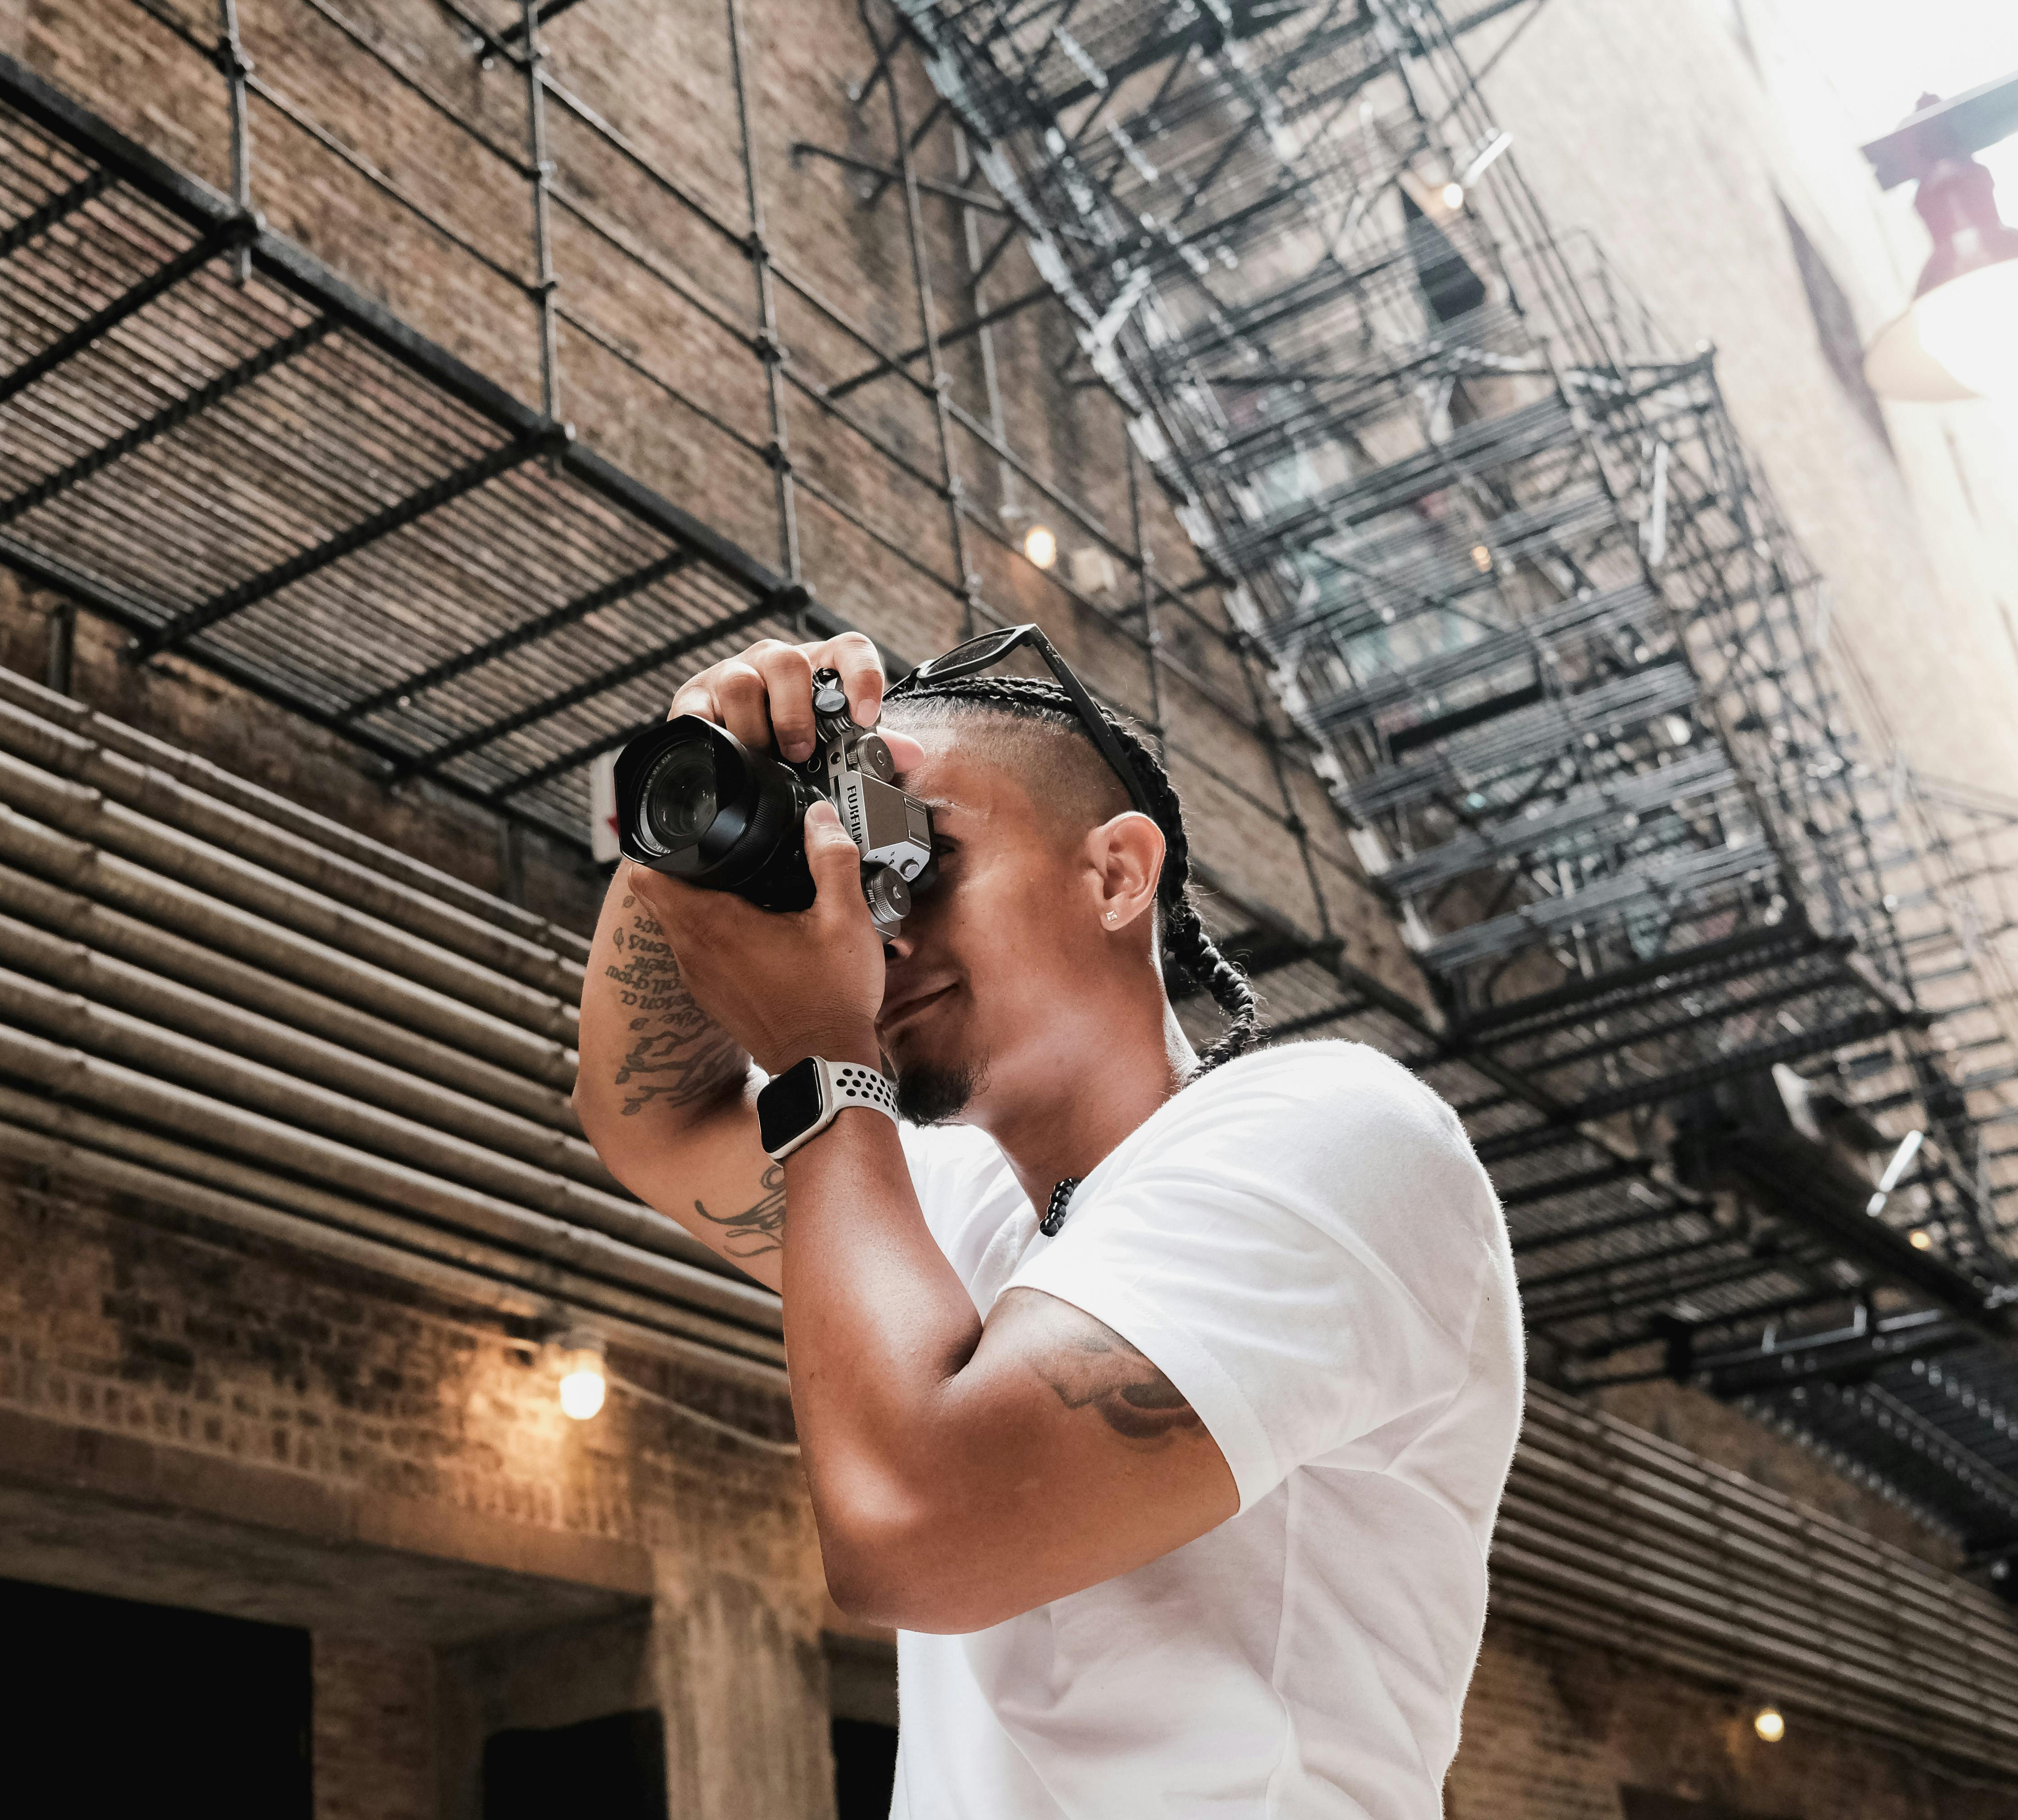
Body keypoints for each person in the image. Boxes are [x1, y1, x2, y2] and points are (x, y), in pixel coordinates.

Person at [575, 629, 1523, 1818]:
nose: (882, 929)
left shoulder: (1338, 1134)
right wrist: (684, 819)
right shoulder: (957, 1204)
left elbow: (918, 1530)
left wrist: (825, 1064)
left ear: (1118, 874)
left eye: (923, 864)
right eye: (862, 880)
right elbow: (654, 1117)